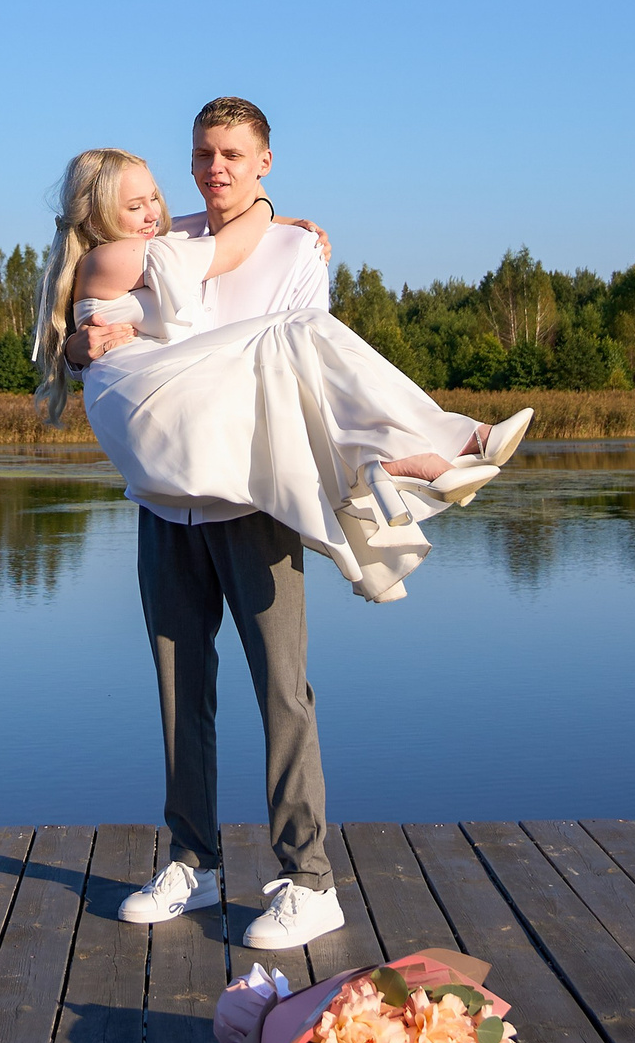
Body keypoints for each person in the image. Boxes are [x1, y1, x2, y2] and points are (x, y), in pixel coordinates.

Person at [33, 99, 532, 951]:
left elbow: (308, 387)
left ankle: (309, 880)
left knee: (282, 690)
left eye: (231, 154)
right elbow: (132, 291)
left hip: (254, 502)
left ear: (264, 160)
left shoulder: (297, 248)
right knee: (178, 689)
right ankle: (192, 862)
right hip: (168, 500)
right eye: (201, 154)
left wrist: (274, 224)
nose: (213, 169)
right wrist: (86, 342)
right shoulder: (172, 241)